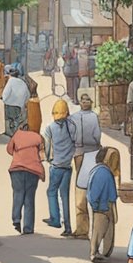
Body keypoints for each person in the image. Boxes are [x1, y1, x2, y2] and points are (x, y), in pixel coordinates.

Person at [42, 99, 77, 237]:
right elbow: (76, 143)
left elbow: (47, 147)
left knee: (51, 191)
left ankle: (55, 219)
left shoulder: (50, 128)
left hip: (56, 166)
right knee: (65, 196)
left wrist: (48, 159)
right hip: (67, 166)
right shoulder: (72, 127)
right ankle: (67, 226)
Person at [70, 93, 103, 239]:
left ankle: (82, 228)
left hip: (81, 151)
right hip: (90, 151)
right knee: (88, 184)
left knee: (81, 186)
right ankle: (87, 227)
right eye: (83, 100)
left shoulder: (75, 117)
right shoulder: (93, 117)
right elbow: (97, 135)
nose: (85, 102)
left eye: (87, 100)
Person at [7, 121, 45, 235]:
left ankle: (16, 219)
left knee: (18, 194)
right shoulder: (38, 137)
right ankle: (28, 228)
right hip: (33, 170)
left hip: (17, 169)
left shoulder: (17, 135)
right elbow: (42, 155)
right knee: (29, 198)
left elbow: (9, 150)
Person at [87, 148, 118, 262]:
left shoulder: (102, 171)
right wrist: (96, 207)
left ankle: (102, 252)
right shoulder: (102, 172)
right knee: (98, 230)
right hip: (102, 207)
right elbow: (94, 194)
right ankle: (94, 253)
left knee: (106, 230)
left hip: (105, 205)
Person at [1, 65, 31, 137]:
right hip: (19, 105)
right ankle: (17, 133)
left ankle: (11, 134)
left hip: (10, 105)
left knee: (9, 120)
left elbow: (5, 95)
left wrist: (4, 100)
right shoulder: (22, 82)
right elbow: (28, 95)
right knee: (17, 120)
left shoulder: (10, 81)